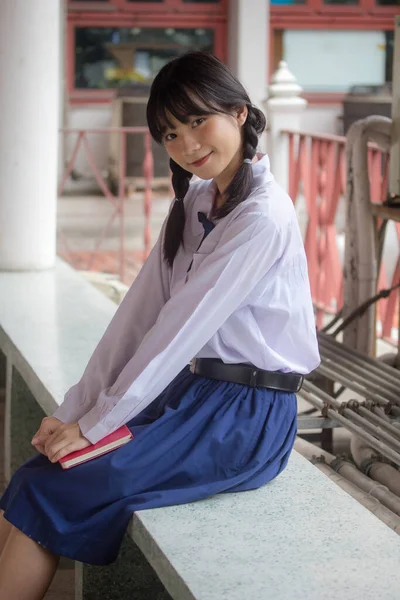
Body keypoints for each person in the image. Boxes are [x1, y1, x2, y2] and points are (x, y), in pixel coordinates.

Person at [0, 51, 320, 599]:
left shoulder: (261, 217)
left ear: (240, 113)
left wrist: (97, 425)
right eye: (171, 134)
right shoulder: (196, 203)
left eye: (199, 121)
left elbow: (178, 333)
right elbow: (137, 317)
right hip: (194, 395)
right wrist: (74, 410)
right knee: (34, 476)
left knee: (50, 488)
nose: (188, 145)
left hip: (244, 419)